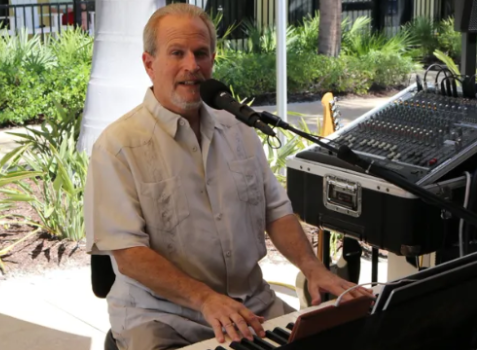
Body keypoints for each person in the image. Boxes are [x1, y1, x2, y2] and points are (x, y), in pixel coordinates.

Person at [84, 3, 372, 350]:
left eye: (201, 53)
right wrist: (205, 300)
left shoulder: (239, 129)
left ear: (213, 60)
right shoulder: (118, 147)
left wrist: (313, 269)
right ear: (149, 64)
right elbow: (129, 253)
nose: (192, 65)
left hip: (253, 308)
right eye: (177, 53)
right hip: (164, 319)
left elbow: (276, 211)